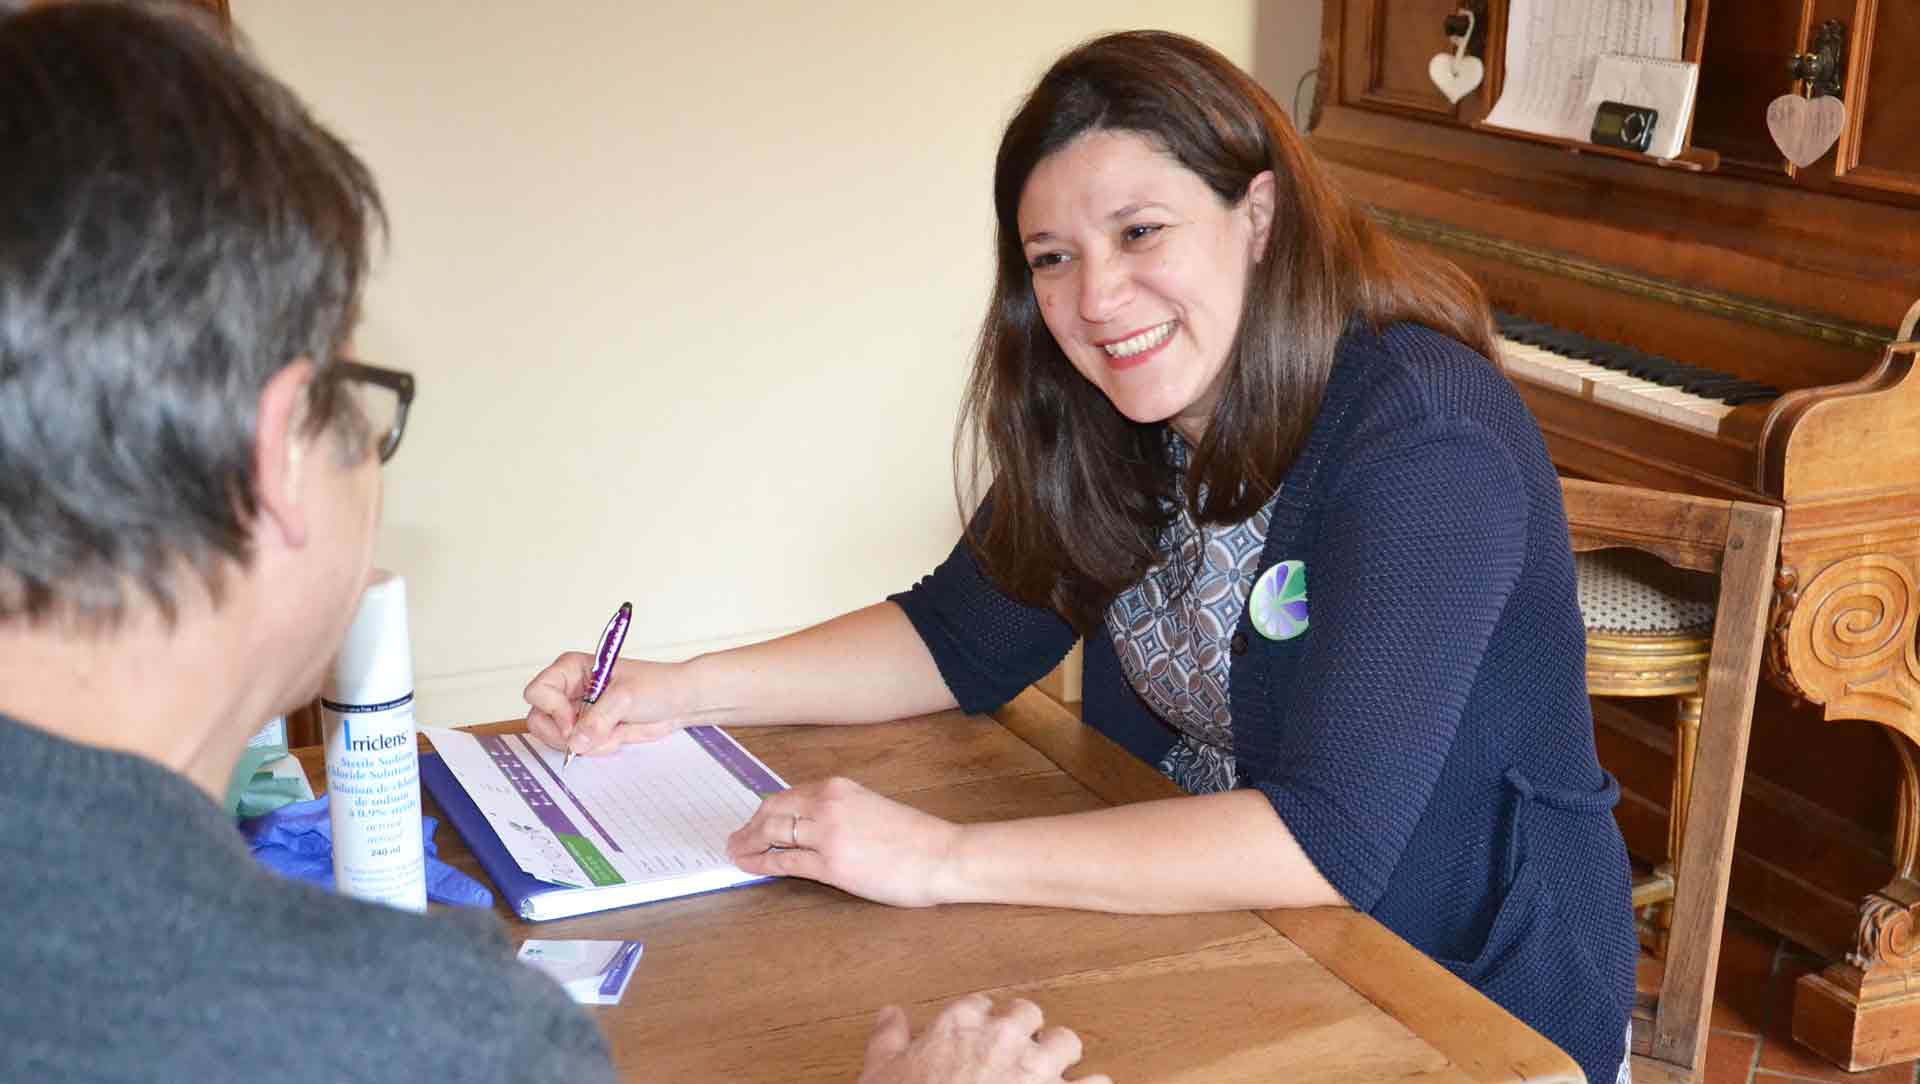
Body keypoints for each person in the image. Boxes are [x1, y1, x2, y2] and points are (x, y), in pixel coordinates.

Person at [0, 4, 1103, 1083]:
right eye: (357, 392)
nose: (1094, 293)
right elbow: (964, 630)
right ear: (282, 454)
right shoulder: (427, 1036)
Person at [525, 28, 1638, 1084]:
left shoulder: (1423, 431)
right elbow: (959, 634)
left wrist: (940, 859)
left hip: (1457, 996)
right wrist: (680, 688)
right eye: (1053, 257)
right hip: (1223, 939)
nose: (1096, 297)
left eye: (1141, 232)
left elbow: (1326, 839)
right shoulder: (1123, 412)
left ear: (1258, 214)